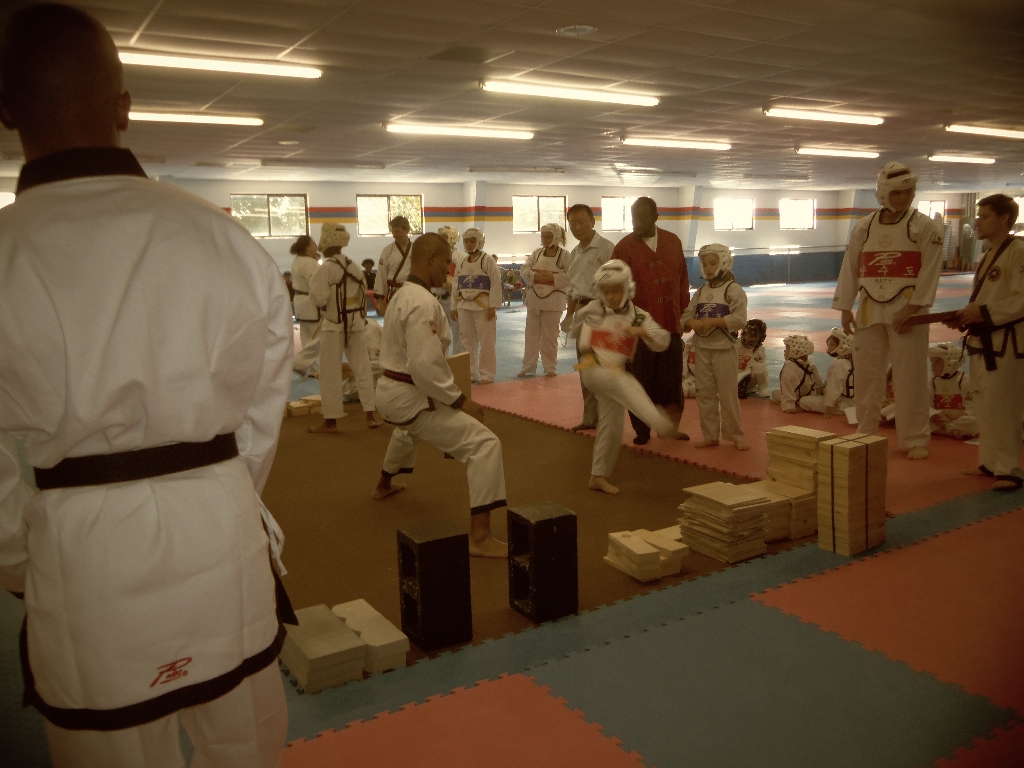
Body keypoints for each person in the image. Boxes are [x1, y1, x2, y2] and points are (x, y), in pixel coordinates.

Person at [0, 5, 292, 765]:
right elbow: (263, 410)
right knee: (247, 749)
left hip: (83, 557)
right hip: (219, 529)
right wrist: (224, 489)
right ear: (125, 108)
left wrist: (20, 557)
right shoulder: (224, 239)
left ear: (6, 112)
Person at [373, 233, 508, 557]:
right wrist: (461, 401)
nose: (449, 269)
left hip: (391, 394)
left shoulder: (403, 294)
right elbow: (424, 365)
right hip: (408, 395)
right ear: (431, 258)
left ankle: (383, 485)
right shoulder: (421, 301)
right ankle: (480, 537)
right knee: (485, 444)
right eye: (447, 261)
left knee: (409, 431)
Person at [833, 161, 944, 460]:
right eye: (897, 192)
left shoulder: (925, 227)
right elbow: (851, 267)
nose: (903, 197)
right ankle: (866, 430)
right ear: (883, 193)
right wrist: (845, 307)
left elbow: (930, 272)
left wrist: (914, 309)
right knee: (867, 374)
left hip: (908, 311)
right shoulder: (864, 227)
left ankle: (915, 437)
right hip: (869, 308)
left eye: (908, 191)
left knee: (910, 375)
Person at [571, 260, 677, 494]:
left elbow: (663, 341)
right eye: (606, 291)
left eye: (616, 290)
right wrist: (597, 362)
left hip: (614, 373)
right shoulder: (594, 310)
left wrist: (644, 332)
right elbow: (582, 342)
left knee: (612, 425)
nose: (611, 296)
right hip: (593, 369)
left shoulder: (638, 316)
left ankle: (598, 476)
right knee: (624, 381)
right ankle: (660, 423)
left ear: (628, 289)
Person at [947, 194, 1023, 490]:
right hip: (983, 340)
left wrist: (983, 313)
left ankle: (1009, 469)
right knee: (984, 405)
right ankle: (990, 462)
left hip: (1006, 344)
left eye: (984, 216)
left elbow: (1021, 299)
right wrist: (964, 318)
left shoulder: (1019, 251)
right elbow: (984, 298)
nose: (977, 222)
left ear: (1004, 218)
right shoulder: (990, 253)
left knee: (1003, 407)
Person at [611, 197, 690, 444]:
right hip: (638, 329)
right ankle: (642, 430)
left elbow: (682, 279)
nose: (637, 223)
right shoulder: (623, 248)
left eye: (643, 217)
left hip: (670, 323)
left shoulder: (673, 242)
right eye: (634, 217)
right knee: (639, 381)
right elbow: (614, 288)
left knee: (671, 381)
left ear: (656, 216)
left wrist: (683, 314)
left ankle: (671, 427)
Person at [308, 223, 381, 433]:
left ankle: (331, 421)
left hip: (333, 325)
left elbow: (319, 298)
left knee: (330, 372)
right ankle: (370, 415)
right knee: (362, 368)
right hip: (356, 324)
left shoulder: (325, 269)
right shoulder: (354, 266)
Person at [680, 244, 749, 450]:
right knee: (705, 394)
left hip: (724, 349)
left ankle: (735, 435)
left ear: (724, 263)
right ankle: (710, 435)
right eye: (705, 264)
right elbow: (685, 316)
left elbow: (740, 319)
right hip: (702, 349)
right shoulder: (701, 291)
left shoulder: (733, 290)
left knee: (728, 395)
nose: (708, 268)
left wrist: (714, 322)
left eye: (712, 263)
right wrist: (692, 323)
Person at [562, 203, 615, 431]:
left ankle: (608, 418)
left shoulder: (607, 249)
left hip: (602, 312)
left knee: (603, 367)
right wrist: (569, 314)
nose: (577, 227)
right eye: (572, 223)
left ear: (593, 222)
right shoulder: (574, 253)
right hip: (581, 313)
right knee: (586, 366)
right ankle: (590, 417)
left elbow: (616, 286)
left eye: (581, 222)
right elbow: (572, 289)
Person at [520, 222, 571, 377]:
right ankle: (528, 366)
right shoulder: (536, 253)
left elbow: (570, 275)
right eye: (543, 236)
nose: (545, 239)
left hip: (553, 302)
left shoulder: (565, 256)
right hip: (535, 299)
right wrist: (535, 276)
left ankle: (550, 367)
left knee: (550, 336)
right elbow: (524, 269)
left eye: (549, 236)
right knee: (531, 335)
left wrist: (551, 277)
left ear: (556, 237)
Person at [451, 227, 501, 384]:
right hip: (464, 305)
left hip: (483, 306)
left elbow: (495, 283)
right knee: (466, 342)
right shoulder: (462, 261)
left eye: (472, 241)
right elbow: (455, 284)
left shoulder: (487, 260)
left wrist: (493, 306)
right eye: (466, 242)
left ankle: (487, 375)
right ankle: (470, 373)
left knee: (486, 342)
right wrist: (453, 306)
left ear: (479, 242)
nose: (468, 244)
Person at [799, 328, 855, 419]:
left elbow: (834, 388)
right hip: (853, 401)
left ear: (843, 346)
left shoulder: (839, 364)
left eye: (832, 345)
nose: (829, 347)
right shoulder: (850, 361)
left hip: (842, 405)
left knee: (803, 401)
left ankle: (832, 407)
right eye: (828, 344)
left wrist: (829, 409)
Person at [927, 342, 977, 440]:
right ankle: (950, 431)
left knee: (974, 422)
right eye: (931, 361)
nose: (933, 365)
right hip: (940, 419)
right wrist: (936, 415)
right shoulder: (932, 382)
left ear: (951, 363)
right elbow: (927, 406)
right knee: (918, 418)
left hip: (958, 420)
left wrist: (951, 415)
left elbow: (972, 409)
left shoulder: (965, 381)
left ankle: (944, 430)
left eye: (937, 361)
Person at [290, 233, 322, 378]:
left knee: (307, 337)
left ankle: (312, 368)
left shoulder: (297, 260)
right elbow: (316, 285)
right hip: (311, 302)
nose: (316, 246)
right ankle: (300, 364)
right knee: (320, 337)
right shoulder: (309, 263)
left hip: (300, 301)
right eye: (313, 243)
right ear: (308, 247)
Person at [771, 335, 824, 413]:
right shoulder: (798, 364)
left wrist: (788, 405)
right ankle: (793, 401)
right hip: (804, 392)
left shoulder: (793, 365)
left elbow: (788, 385)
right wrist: (822, 387)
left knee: (779, 394)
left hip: (805, 393)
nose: (785, 351)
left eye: (787, 348)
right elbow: (788, 385)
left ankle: (792, 401)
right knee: (775, 393)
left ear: (796, 351)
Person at [376, 215, 412, 315]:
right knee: (394, 321)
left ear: (406, 230)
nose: (394, 235)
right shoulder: (387, 251)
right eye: (393, 232)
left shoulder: (416, 249)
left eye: (397, 232)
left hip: (413, 291)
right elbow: (381, 274)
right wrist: (380, 300)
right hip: (395, 292)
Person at [436, 225, 463, 355]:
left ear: (452, 238)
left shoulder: (460, 257)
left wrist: (451, 284)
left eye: (445, 237)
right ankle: (441, 361)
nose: (442, 240)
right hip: (437, 299)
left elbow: (462, 279)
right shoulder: (434, 256)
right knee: (439, 334)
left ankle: (459, 362)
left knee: (459, 335)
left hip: (454, 299)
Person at [736, 319, 768, 399]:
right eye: (746, 334)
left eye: (752, 336)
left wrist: (745, 373)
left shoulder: (759, 349)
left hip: (749, 378)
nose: (747, 338)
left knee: (760, 368)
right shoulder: (736, 344)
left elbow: (757, 364)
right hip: (733, 375)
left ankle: (762, 388)